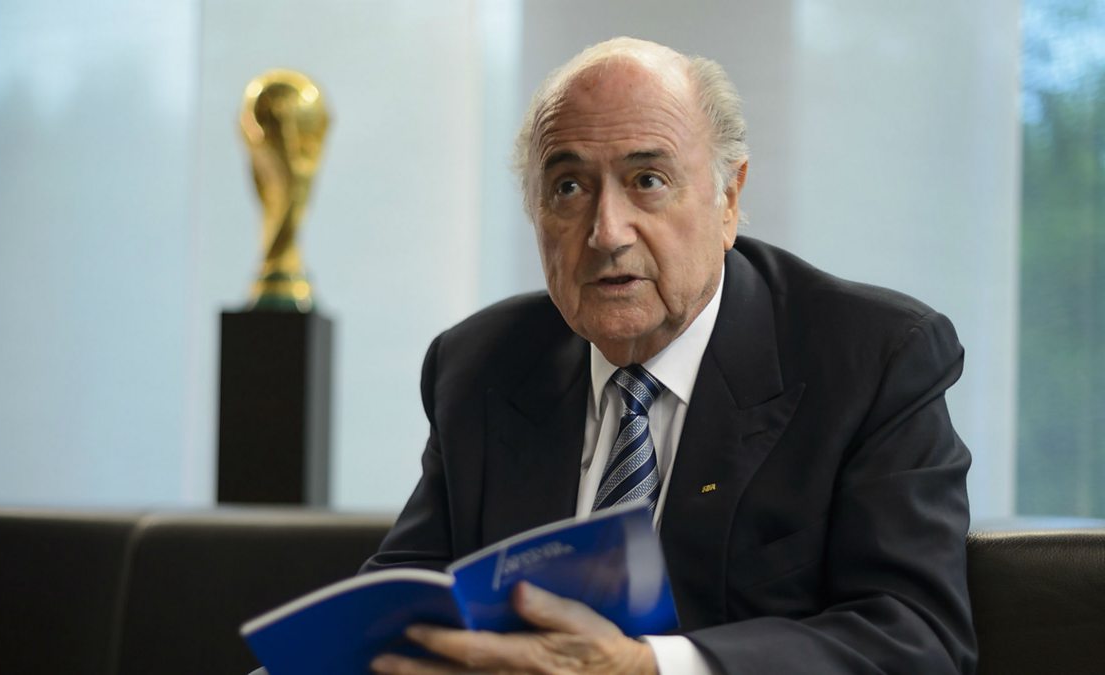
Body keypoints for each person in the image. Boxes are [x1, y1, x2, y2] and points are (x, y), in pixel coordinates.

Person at [363, 37, 976, 674]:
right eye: (568, 187)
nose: (607, 232)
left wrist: (646, 668)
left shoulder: (872, 358)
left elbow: (916, 640)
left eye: (648, 181)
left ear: (728, 200)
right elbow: (400, 605)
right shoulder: (481, 365)